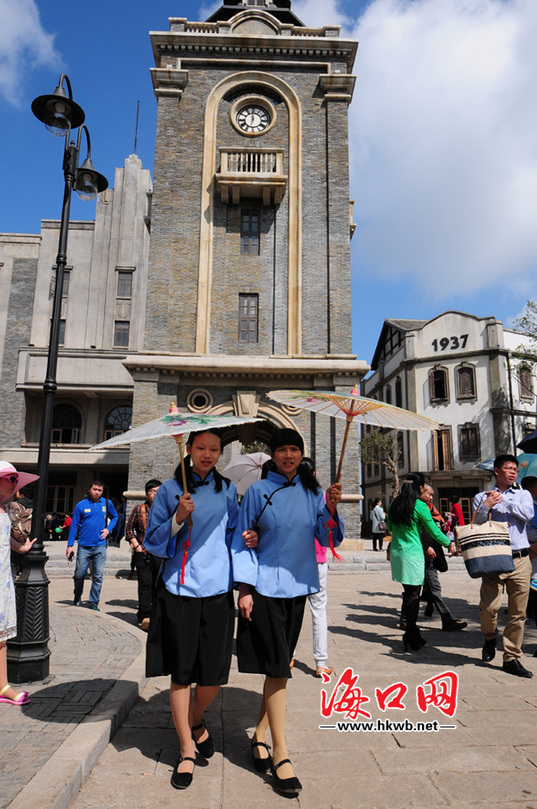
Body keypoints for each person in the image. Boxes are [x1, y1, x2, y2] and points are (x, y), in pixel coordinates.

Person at [232, 428, 343, 795]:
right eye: (282, 449)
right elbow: (242, 538)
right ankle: (281, 754)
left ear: (301, 454)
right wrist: (244, 588)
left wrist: (331, 508)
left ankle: (259, 736)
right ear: (273, 455)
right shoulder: (259, 491)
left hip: (299, 587)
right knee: (279, 666)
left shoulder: (313, 493)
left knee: (278, 668)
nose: (289, 455)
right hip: (265, 587)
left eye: (295, 449)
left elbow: (329, 538)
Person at [144, 430, 239, 791]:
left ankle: (195, 720)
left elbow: (234, 531)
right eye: (201, 448)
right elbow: (154, 541)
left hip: (218, 589)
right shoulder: (170, 490)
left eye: (214, 449)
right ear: (188, 449)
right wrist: (177, 519)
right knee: (182, 673)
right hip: (180, 590)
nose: (208, 455)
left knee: (212, 676)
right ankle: (185, 749)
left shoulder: (227, 489)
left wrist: (248, 541)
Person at [474, 454, 534, 678]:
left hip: (520, 559)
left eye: (515, 470)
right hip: (494, 559)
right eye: (508, 468)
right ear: (497, 471)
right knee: (488, 608)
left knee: (518, 612)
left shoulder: (524, 494)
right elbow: (476, 524)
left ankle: (511, 657)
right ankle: (490, 637)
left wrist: (504, 500)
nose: (512, 472)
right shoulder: (482, 495)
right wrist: (486, 506)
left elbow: (527, 514)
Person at [387, 473, 451, 652]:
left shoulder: (394, 503)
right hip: (413, 554)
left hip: (398, 554)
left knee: (409, 593)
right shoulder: (420, 506)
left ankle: (412, 632)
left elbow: (391, 528)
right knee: (414, 595)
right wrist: (450, 544)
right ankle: (410, 635)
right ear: (420, 487)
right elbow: (434, 532)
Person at [0, 462, 38, 706]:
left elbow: (4, 537)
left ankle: (2, 685)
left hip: (3, 578)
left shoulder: (5, 509)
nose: (14, 483)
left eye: (15, 479)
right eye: (9, 478)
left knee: (1, 636)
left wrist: (21, 547)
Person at [420, 483, 467, 632]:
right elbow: (417, 530)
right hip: (421, 552)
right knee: (430, 587)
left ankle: (412, 616)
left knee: (425, 587)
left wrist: (445, 543)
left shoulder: (429, 508)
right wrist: (426, 546)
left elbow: (435, 528)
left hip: (432, 550)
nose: (431, 497)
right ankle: (446, 618)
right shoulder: (417, 508)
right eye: (429, 494)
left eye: (433, 494)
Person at [66, 481, 118, 611]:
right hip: (84, 546)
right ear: (90, 489)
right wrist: (70, 545)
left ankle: (93, 602)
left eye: (100, 490)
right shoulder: (80, 505)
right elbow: (74, 526)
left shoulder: (107, 503)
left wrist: (108, 529)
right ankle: (77, 595)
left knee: (98, 576)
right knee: (79, 574)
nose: (97, 492)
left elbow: (116, 517)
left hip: (100, 546)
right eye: (95, 489)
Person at [125, 478, 162, 630]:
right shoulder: (139, 509)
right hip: (143, 552)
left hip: (160, 553)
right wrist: (136, 545)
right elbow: (129, 528)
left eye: (159, 492)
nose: (155, 494)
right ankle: (145, 615)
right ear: (147, 494)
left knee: (160, 585)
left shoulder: (166, 510)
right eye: (152, 491)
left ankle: (159, 614)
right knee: (145, 584)